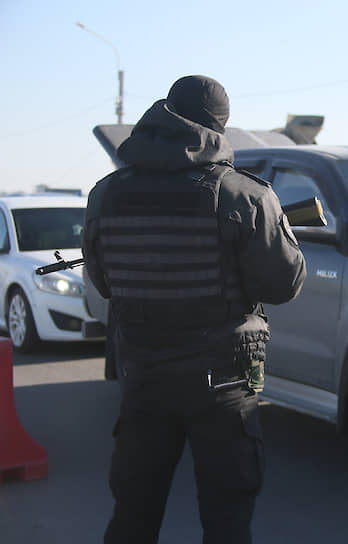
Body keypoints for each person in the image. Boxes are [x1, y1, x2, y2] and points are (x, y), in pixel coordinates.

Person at [82, 75, 306, 544]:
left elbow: (103, 284)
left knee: (133, 516)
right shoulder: (244, 195)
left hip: (143, 377)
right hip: (225, 385)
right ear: (220, 127)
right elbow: (284, 284)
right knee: (227, 518)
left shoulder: (106, 194)